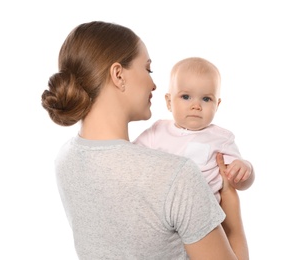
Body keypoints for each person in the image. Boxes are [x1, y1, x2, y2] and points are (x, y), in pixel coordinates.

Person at [41, 21, 248, 259]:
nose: (154, 84)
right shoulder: (176, 176)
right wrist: (231, 203)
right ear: (118, 75)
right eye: (148, 69)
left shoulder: (65, 159)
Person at [134, 57, 255, 202]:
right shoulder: (157, 130)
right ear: (169, 102)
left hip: (201, 211)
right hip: (160, 206)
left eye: (206, 99)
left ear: (217, 105)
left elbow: (239, 183)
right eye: (186, 97)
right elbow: (131, 156)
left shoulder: (221, 138)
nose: (196, 106)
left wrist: (245, 169)